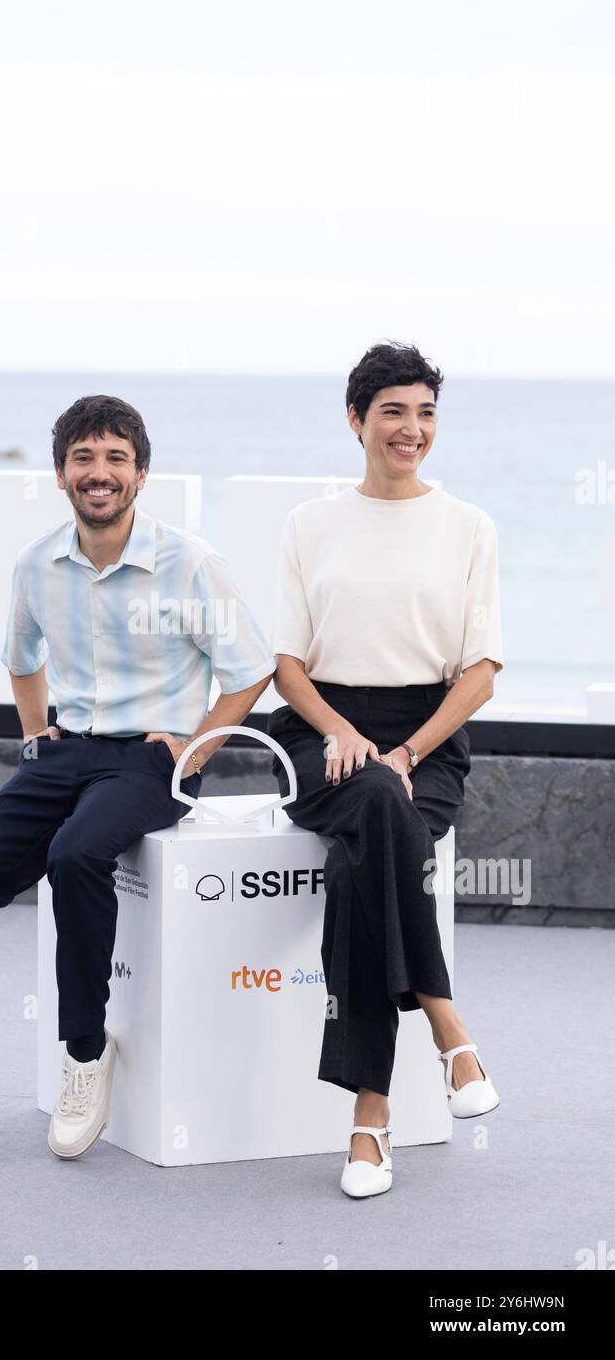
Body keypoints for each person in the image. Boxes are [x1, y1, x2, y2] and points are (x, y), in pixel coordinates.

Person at [0, 394, 275, 1160]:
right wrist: (34, 736)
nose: (100, 473)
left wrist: (191, 751)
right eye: (84, 459)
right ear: (61, 474)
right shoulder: (38, 564)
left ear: (141, 474)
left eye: (115, 459)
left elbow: (250, 669)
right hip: (64, 753)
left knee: (74, 857)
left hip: (147, 760)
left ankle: (86, 1056)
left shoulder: (189, 562)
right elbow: (21, 658)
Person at [266, 341, 504, 1199]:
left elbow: (479, 672)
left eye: (426, 412)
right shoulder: (309, 524)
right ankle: (449, 1028)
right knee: (370, 803)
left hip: (424, 737)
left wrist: (403, 751)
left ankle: (373, 1118)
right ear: (357, 420)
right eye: (395, 411)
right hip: (319, 727)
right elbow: (286, 664)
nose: (413, 429)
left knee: (367, 845)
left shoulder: (469, 526)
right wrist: (338, 730)